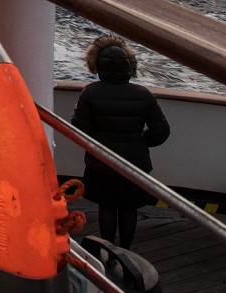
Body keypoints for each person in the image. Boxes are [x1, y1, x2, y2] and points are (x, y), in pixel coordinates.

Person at [71, 34, 170, 249]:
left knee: (107, 206)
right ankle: (126, 250)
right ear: (130, 67)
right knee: (128, 208)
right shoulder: (143, 95)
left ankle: (107, 251)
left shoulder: (90, 93)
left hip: (101, 162)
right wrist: (142, 141)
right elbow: (161, 132)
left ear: (96, 65)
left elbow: (79, 129)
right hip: (134, 163)